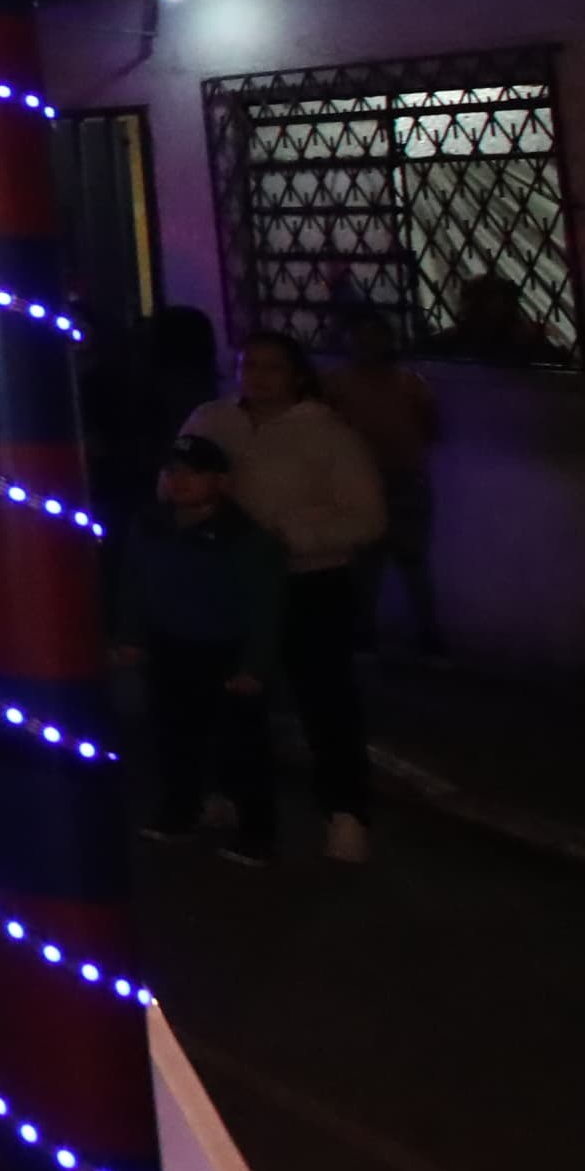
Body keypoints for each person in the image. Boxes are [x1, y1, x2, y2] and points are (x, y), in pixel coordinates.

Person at [181, 332, 387, 862]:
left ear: (296, 374)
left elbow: (366, 516)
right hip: (231, 582)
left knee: (324, 698)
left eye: (273, 367)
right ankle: (233, 793)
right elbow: (175, 478)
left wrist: (290, 533)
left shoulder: (327, 434)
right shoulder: (212, 421)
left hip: (308, 581)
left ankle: (344, 812)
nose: (259, 377)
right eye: (250, 366)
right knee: (231, 693)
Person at [115, 433, 284, 862]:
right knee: (172, 734)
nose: (180, 481)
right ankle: (180, 811)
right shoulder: (150, 525)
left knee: (240, 744)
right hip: (170, 646)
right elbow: (133, 584)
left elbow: (264, 608)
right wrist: (131, 637)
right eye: (173, 471)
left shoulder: (244, 538)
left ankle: (257, 830)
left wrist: (254, 666)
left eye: (194, 473)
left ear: (221, 482)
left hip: (223, 651)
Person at [320, 315, 443, 659]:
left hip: (398, 478)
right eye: (361, 338)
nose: (368, 346)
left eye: (374, 338)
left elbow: (430, 427)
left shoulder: (407, 384)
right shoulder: (342, 385)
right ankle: (380, 634)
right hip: (369, 480)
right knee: (371, 565)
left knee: (402, 562)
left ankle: (420, 635)